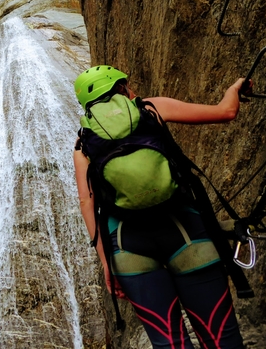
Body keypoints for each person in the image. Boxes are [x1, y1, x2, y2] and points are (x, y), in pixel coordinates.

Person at [73, 65, 249, 349]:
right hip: (186, 232)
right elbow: (226, 111)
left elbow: (87, 203)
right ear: (120, 88)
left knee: (169, 343)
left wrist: (107, 264)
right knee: (221, 339)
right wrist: (235, 88)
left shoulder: (83, 146)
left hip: (127, 249)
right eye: (127, 85)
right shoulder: (152, 109)